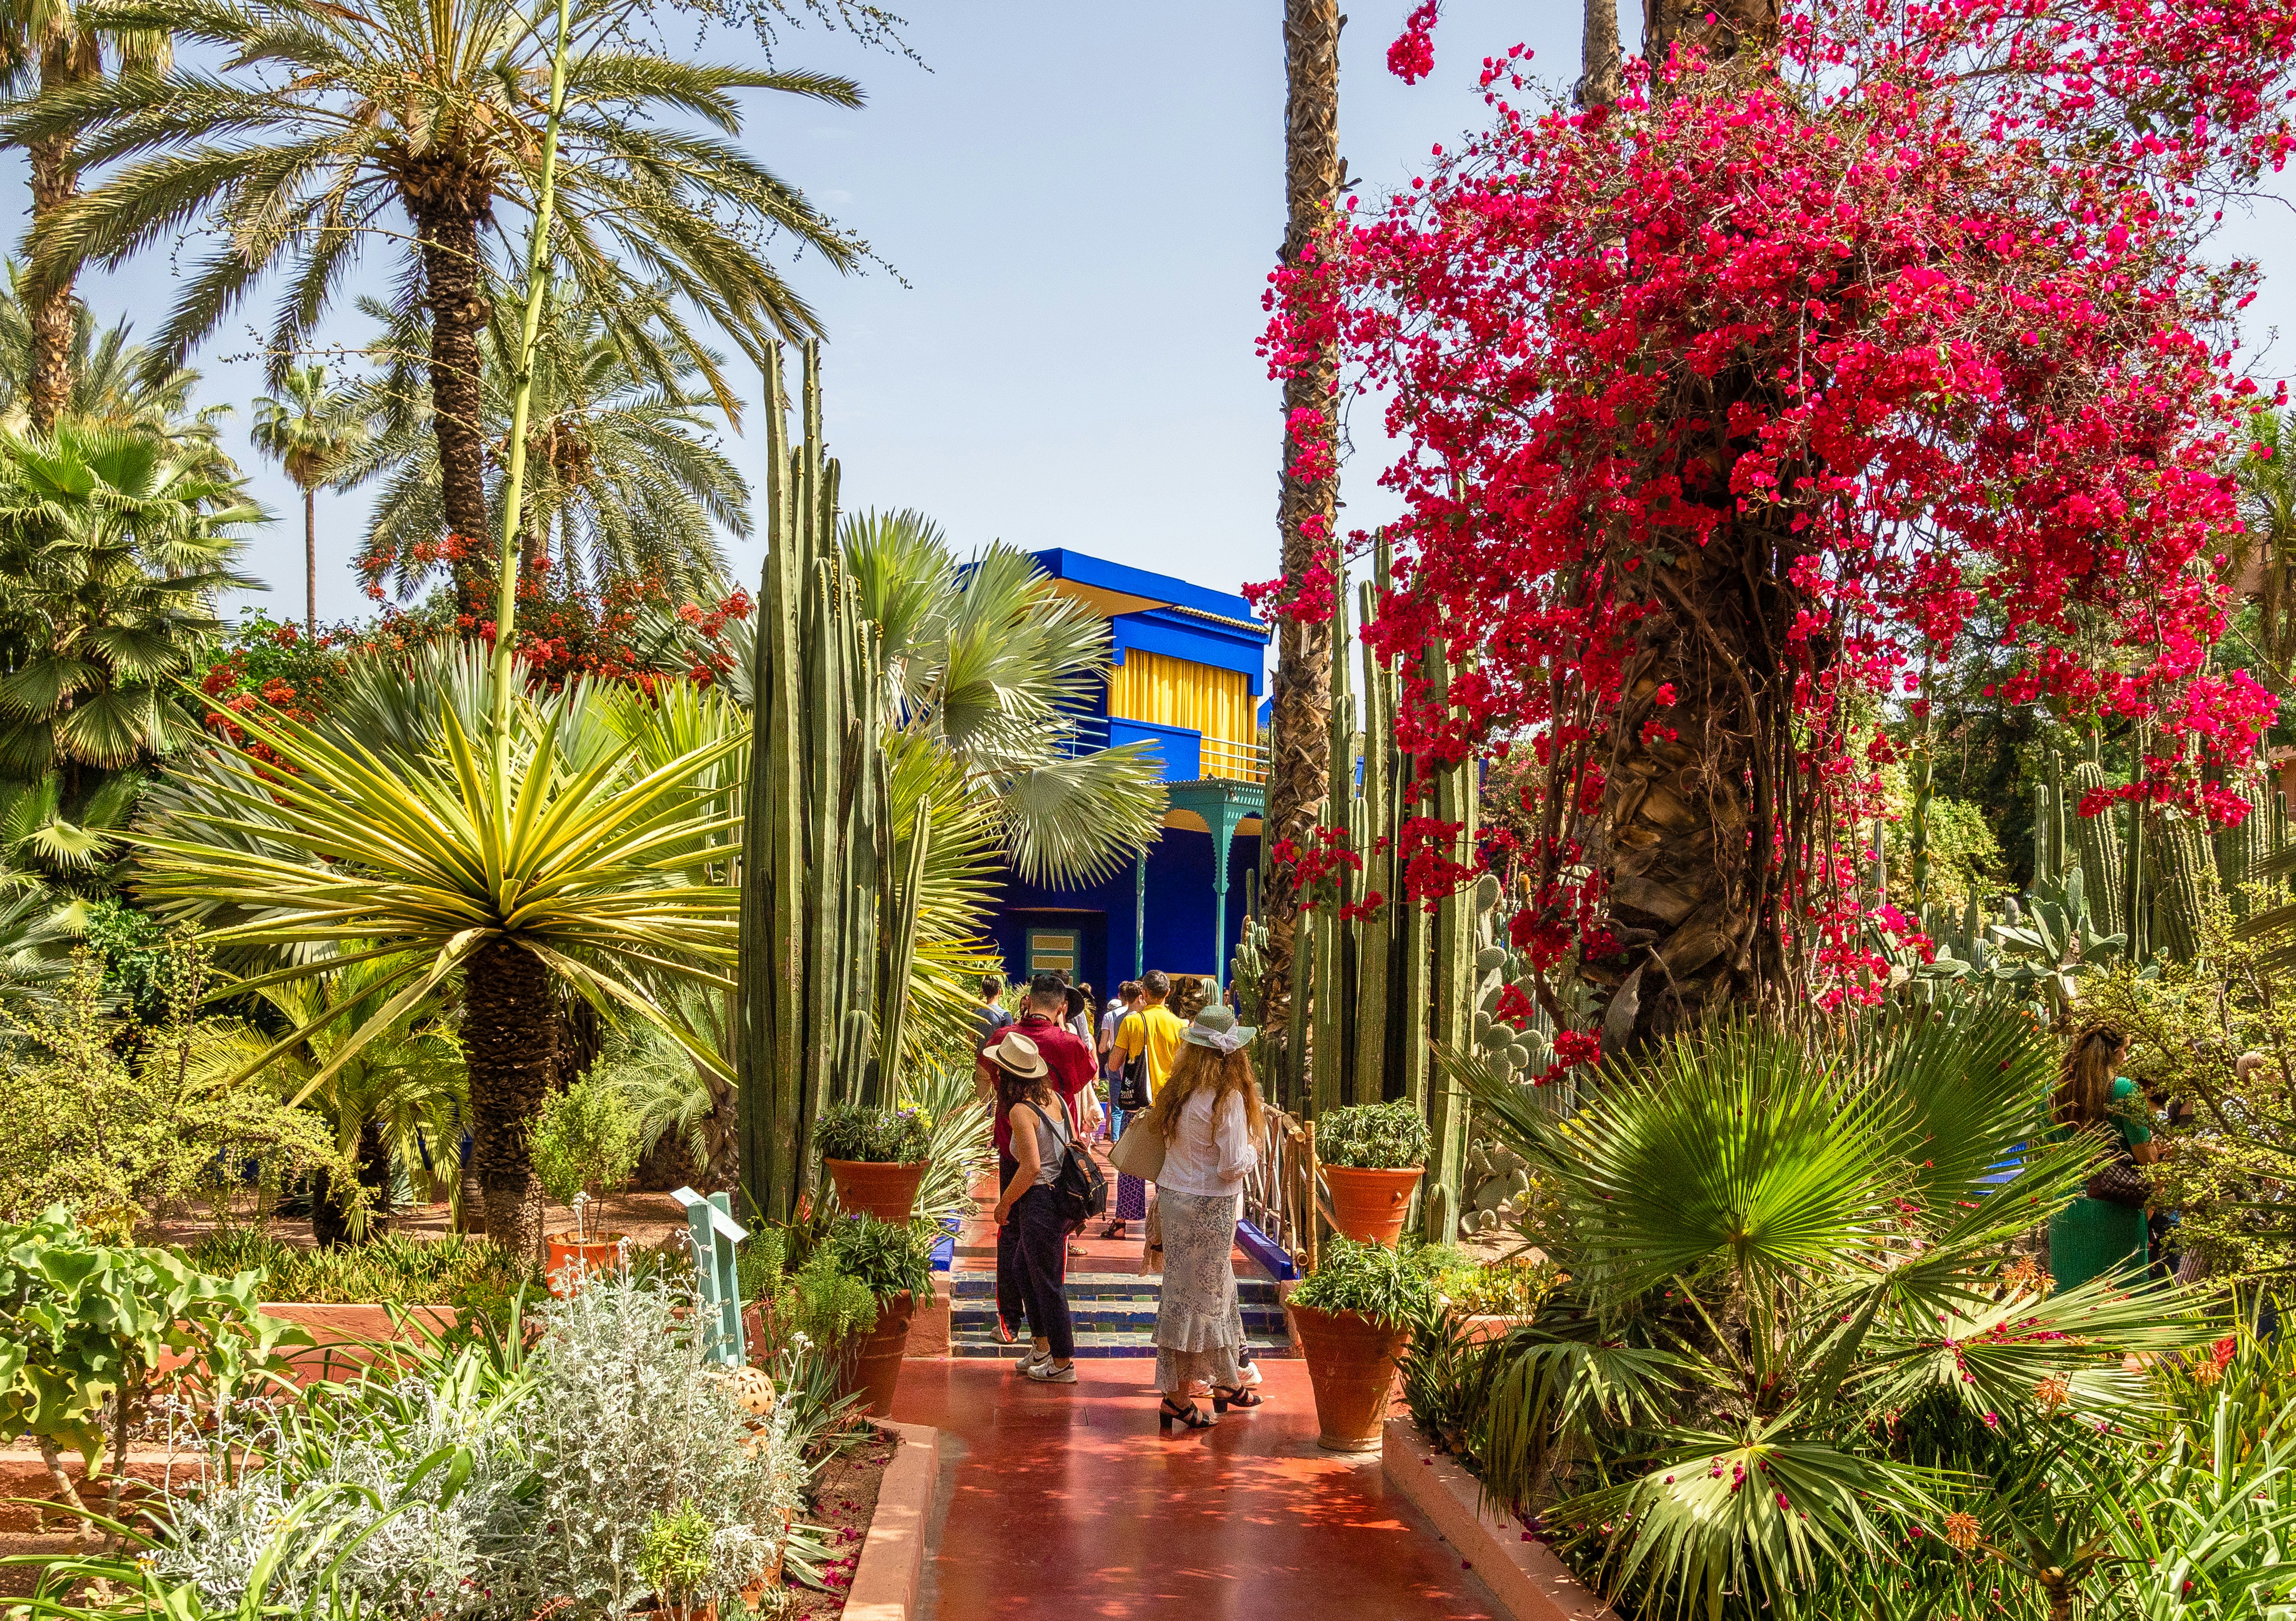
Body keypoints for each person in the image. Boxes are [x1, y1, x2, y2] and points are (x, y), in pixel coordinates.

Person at [1143, 1005, 1266, 1431]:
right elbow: (1232, 1164)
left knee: (1194, 1293)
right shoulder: (1227, 1098)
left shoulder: (1180, 1092)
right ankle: (1177, 1398)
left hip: (1175, 1199)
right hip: (1210, 1206)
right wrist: (1254, 1148)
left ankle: (1223, 1380)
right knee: (1203, 1298)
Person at [981, 976, 1102, 1335]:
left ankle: (1009, 1321)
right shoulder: (1070, 1043)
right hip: (1055, 1159)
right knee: (1051, 1242)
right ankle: (1047, 1332)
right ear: (1062, 1006)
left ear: (1028, 1001)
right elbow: (1081, 1083)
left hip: (1011, 1147)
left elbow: (984, 1076)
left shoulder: (1003, 1039)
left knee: (1010, 1232)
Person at [984, 1030, 1078, 1385]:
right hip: (1057, 1199)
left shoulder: (1021, 1110)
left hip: (1039, 1200)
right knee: (1024, 1269)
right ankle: (1041, 1346)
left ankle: (1062, 1360)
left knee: (1047, 1281)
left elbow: (1031, 1166)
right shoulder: (1054, 1098)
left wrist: (1004, 1203)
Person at [2047, 1025, 2160, 1291]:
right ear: (2118, 1054)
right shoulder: (2123, 1089)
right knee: (2119, 1299)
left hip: (2065, 1206)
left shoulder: (2052, 1092)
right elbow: (2145, 1157)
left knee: (2069, 1297)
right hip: (2115, 1207)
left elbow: (2049, 1148)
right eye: (2127, 1052)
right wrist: (2158, 1151)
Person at [973, 973, 1013, 1049]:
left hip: (981, 1058)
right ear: (1000, 992)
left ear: (984, 993)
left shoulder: (976, 1013)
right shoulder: (1005, 1015)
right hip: (997, 1059)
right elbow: (1010, 1041)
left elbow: (970, 1038)